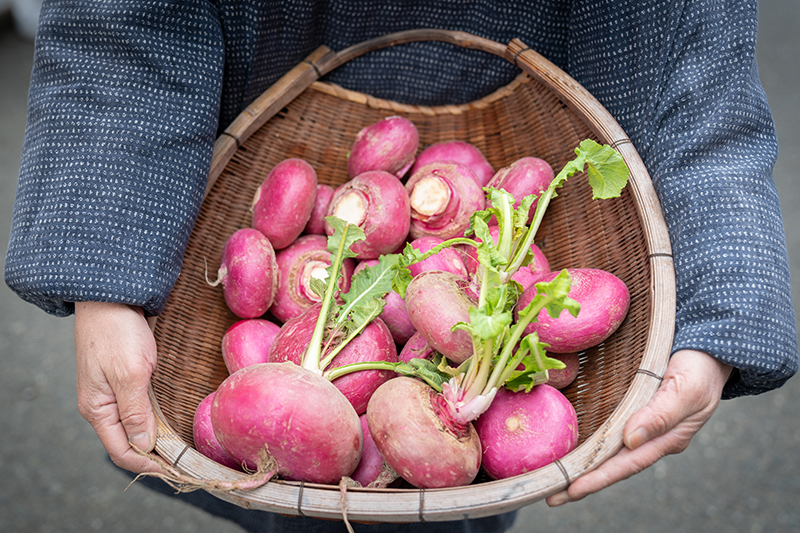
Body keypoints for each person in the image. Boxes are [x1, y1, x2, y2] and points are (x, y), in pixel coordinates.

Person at [5, 0, 798, 531]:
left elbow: (702, 74)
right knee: (274, 486)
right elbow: (129, 19)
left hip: (436, 421)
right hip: (259, 80)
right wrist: (103, 271)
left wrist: (721, 306)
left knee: (444, 507)